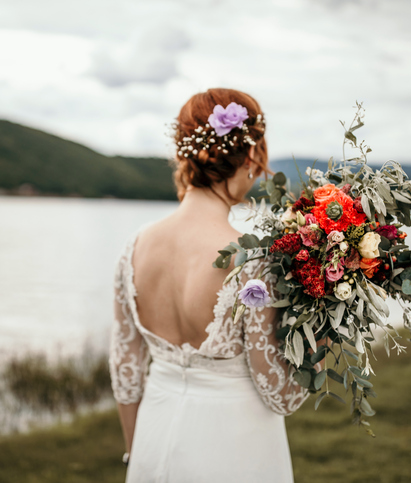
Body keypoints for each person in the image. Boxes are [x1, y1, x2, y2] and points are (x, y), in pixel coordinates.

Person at [109, 88, 311, 482]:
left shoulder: (133, 248)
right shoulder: (251, 259)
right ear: (251, 156)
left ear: (185, 152)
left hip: (153, 437)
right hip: (235, 450)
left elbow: (126, 369)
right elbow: (281, 394)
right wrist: (322, 338)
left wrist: (137, 456)